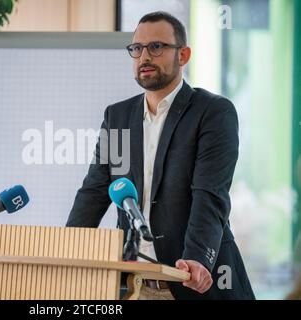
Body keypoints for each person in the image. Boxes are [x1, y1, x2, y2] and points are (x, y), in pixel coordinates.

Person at [66, 11, 255, 300]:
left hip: (194, 282)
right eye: (137, 49)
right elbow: (94, 191)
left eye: (156, 47)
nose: (144, 57)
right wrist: (65, 250)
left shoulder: (212, 112)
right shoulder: (117, 116)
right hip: (133, 285)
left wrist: (197, 259)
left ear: (183, 55)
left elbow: (209, 195)